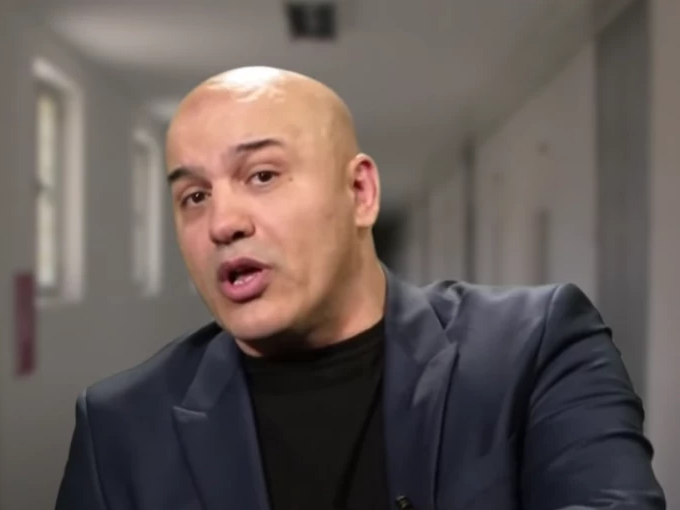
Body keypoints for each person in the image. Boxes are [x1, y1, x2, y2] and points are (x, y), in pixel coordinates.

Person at [55, 66, 665, 510]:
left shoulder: (536, 346)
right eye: (194, 196)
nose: (222, 223)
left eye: (261, 175)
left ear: (361, 193)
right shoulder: (121, 427)